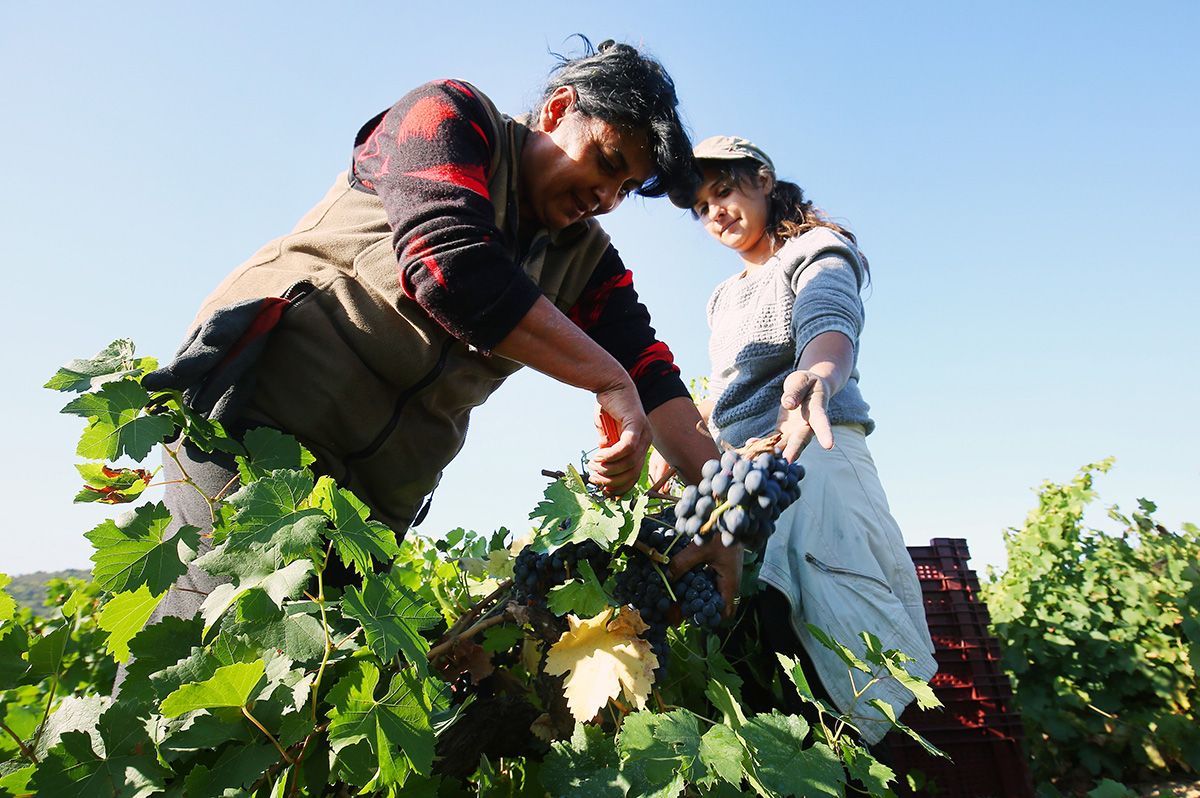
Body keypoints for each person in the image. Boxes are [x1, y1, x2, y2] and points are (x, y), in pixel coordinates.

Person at [141, 39, 723, 625]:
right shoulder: (450, 115)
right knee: (207, 638)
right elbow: (451, 267)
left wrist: (725, 512)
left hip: (371, 505)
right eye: (607, 162)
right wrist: (605, 377)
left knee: (304, 690)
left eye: (624, 190)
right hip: (256, 417)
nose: (606, 198)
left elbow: (652, 375)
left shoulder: (587, 260)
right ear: (558, 109)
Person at [670, 135, 935, 746]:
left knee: (847, 659)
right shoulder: (721, 297)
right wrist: (693, 431)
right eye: (702, 206)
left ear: (762, 180)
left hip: (816, 457)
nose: (715, 212)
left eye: (724, 191)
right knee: (760, 657)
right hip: (741, 481)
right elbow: (734, 387)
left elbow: (830, 323)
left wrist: (818, 375)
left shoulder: (817, 250)